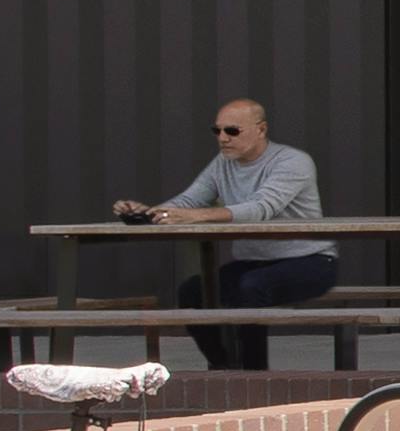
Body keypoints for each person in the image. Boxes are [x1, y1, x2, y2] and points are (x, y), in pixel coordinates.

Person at [116, 94, 336, 369]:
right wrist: (147, 212)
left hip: (312, 262)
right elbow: (189, 201)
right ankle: (224, 367)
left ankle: (254, 377)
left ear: (261, 129)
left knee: (251, 288)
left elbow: (260, 208)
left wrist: (195, 217)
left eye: (232, 131)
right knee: (192, 292)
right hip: (253, 264)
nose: (222, 138)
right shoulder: (223, 163)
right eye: (217, 130)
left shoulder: (293, 162)